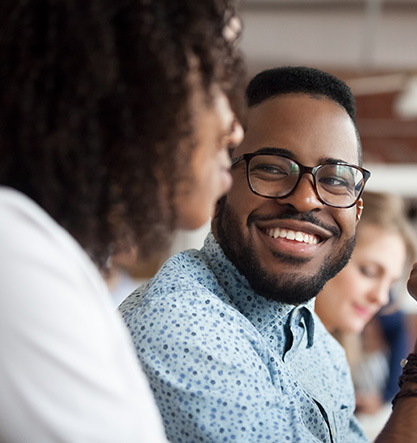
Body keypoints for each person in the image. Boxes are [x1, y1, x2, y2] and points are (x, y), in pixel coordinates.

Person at [120, 66, 417, 443]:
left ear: (356, 209)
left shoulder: (313, 339)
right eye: (271, 169)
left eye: (335, 179)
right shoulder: (183, 326)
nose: (306, 199)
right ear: (224, 184)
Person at [0, 0, 244, 441]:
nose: (234, 126)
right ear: (132, 91)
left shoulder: (47, 254)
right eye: (214, 85)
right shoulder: (14, 252)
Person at [314, 191, 417, 418]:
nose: (381, 299)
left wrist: (387, 396)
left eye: (390, 284)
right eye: (369, 272)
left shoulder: (333, 361)